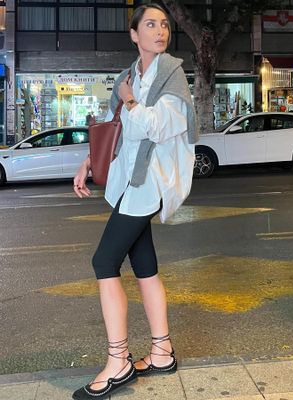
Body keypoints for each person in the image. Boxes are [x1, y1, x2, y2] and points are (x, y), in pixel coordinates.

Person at [72, 4, 198, 400]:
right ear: (134, 34)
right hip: (127, 182)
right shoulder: (127, 77)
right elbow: (113, 128)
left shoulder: (173, 77)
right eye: (150, 24)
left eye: (164, 25)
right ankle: (162, 352)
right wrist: (88, 161)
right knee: (144, 266)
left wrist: (130, 102)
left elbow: (159, 126)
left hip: (149, 184)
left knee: (104, 261)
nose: (160, 31)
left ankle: (118, 361)